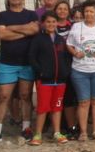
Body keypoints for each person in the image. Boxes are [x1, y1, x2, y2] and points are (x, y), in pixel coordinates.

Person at [0, 0, 40, 142]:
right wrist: (24, 31)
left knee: (26, 96)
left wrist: (11, 29)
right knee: (3, 96)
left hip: (27, 63)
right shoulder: (2, 16)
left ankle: (26, 127)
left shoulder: (32, 14)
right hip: (7, 63)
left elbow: (35, 30)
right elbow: (0, 35)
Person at [67, 1, 95, 141]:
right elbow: (69, 44)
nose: (88, 14)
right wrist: (75, 53)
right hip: (80, 70)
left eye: (91, 11)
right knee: (83, 102)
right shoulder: (76, 26)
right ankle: (83, 132)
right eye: (86, 11)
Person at [26, 9, 69, 144]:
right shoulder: (38, 39)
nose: (51, 24)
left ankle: (56, 132)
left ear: (57, 23)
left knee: (57, 107)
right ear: (43, 23)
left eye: (53, 21)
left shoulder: (61, 39)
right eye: (48, 22)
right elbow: (32, 58)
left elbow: (66, 58)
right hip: (45, 81)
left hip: (60, 81)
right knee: (43, 107)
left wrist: (65, 72)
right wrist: (41, 72)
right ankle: (38, 134)